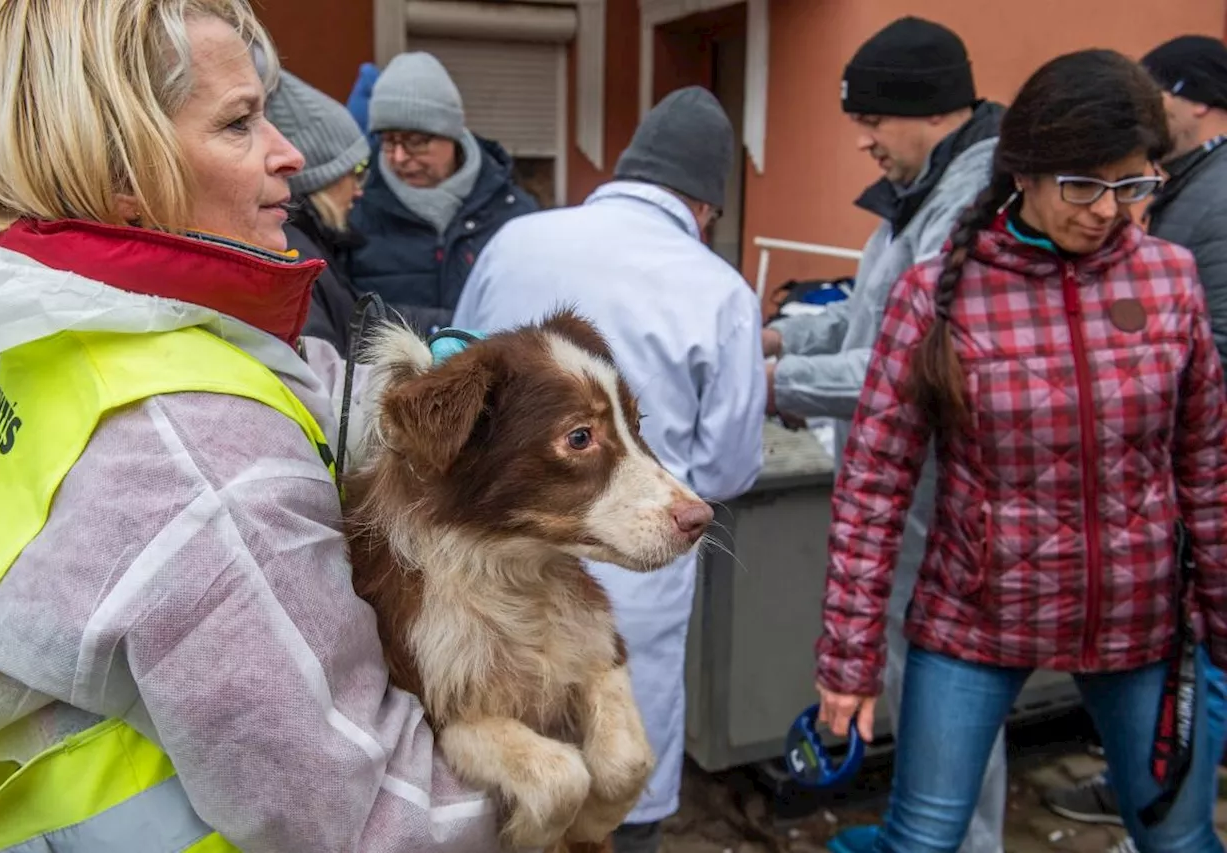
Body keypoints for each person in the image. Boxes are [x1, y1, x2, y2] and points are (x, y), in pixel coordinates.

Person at [0, 1, 505, 849]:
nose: (290, 153)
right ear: (121, 172)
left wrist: (445, 388)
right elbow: (374, 820)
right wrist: (560, 775)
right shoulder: (201, 462)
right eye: (240, 123)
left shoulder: (78, 329)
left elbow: (295, 389)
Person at [817, 48, 1227, 853]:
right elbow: (872, 487)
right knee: (926, 837)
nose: (1108, 212)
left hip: (1139, 624)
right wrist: (849, 656)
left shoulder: (1171, 280)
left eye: (1132, 185)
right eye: (1082, 186)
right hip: (973, 619)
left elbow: (1208, 470)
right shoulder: (938, 292)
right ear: (1026, 174)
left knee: (1179, 839)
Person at [453, 85, 766, 853]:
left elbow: (456, 367)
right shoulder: (720, 288)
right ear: (704, 208)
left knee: (497, 779)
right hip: (634, 579)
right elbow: (726, 469)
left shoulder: (517, 240)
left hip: (493, 575)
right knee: (617, 782)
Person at [761, 17, 1007, 853]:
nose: (862, 140)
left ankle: (959, 839)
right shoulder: (919, 199)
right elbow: (866, 317)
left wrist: (766, 383)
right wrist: (779, 339)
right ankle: (920, 827)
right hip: (909, 498)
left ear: (923, 110)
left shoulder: (975, 203)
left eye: (869, 120)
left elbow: (911, 367)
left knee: (951, 695)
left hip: (950, 500)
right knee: (913, 683)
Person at [1040, 34, 1227, 849]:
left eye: (1153, 99)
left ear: (1194, 102)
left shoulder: (1213, 200)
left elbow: (1208, 356)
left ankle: (1166, 798)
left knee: (1199, 670)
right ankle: (1151, 792)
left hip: (1189, 481)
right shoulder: (1184, 183)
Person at [346, 51, 537, 334]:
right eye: (388, 141)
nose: (398, 157)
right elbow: (346, 317)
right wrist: (449, 328)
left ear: (452, 135)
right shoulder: (355, 212)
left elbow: (534, 309)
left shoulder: (514, 213)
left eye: (415, 141)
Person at [265, 69, 370, 353]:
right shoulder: (294, 257)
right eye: (357, 172)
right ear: (323, 176)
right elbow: (323, 380)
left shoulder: (313, 241)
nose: (360, 189)